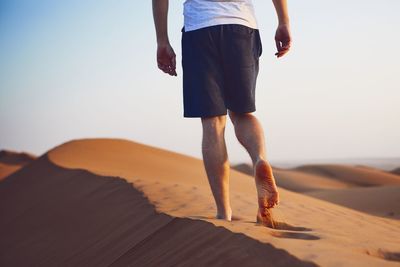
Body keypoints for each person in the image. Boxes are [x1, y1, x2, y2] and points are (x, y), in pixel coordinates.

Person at [152, 0, 291, 225]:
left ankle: (223, 212)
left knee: (213, 122)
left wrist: (162, 40)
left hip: (199, 30)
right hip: (241, 27)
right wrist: (283, 21)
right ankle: (259, 160)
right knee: (242, 113)